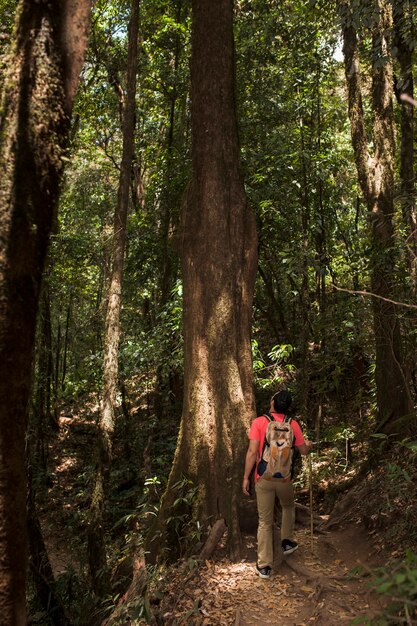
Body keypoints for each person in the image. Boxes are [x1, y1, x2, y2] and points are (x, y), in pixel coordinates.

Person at [242, 389, 312, 579]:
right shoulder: (293, 424)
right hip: (285, 478)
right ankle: (287, 541)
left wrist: (246, 477)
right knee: (288, 506)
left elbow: (251, 452)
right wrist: (309, 445)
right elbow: (303, 451)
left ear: (273, 402)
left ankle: (264, 566)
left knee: (265, 521)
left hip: (263, 477)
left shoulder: (259, 422)